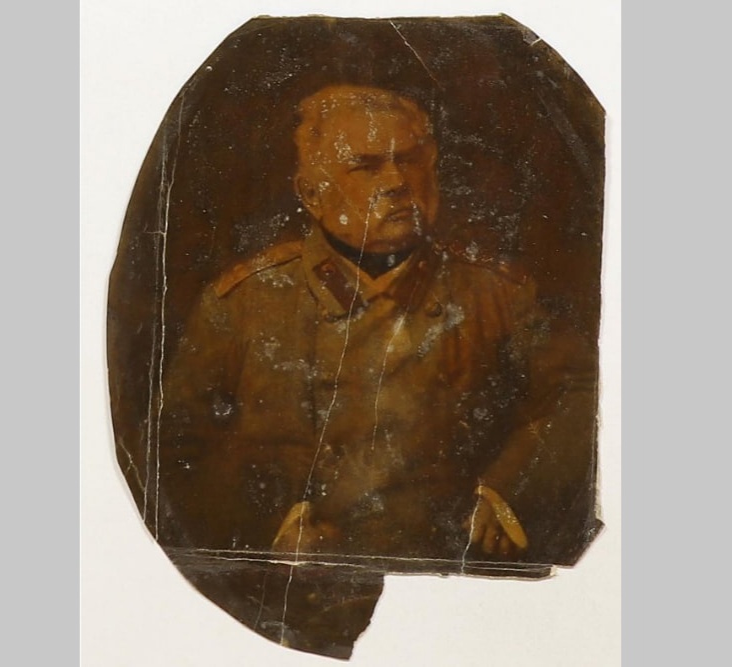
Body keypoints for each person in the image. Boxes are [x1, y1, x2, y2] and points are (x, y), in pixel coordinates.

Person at [161, 84, 599, 566]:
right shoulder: (247, 301)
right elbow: (176, 441)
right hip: (291, 580)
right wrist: (267, 524)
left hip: (449, 568)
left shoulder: (492, 292)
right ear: (311, 193)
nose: (397, 182)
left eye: (409, 160)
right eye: (366, 166)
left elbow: (580, 392)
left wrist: (506, 494)